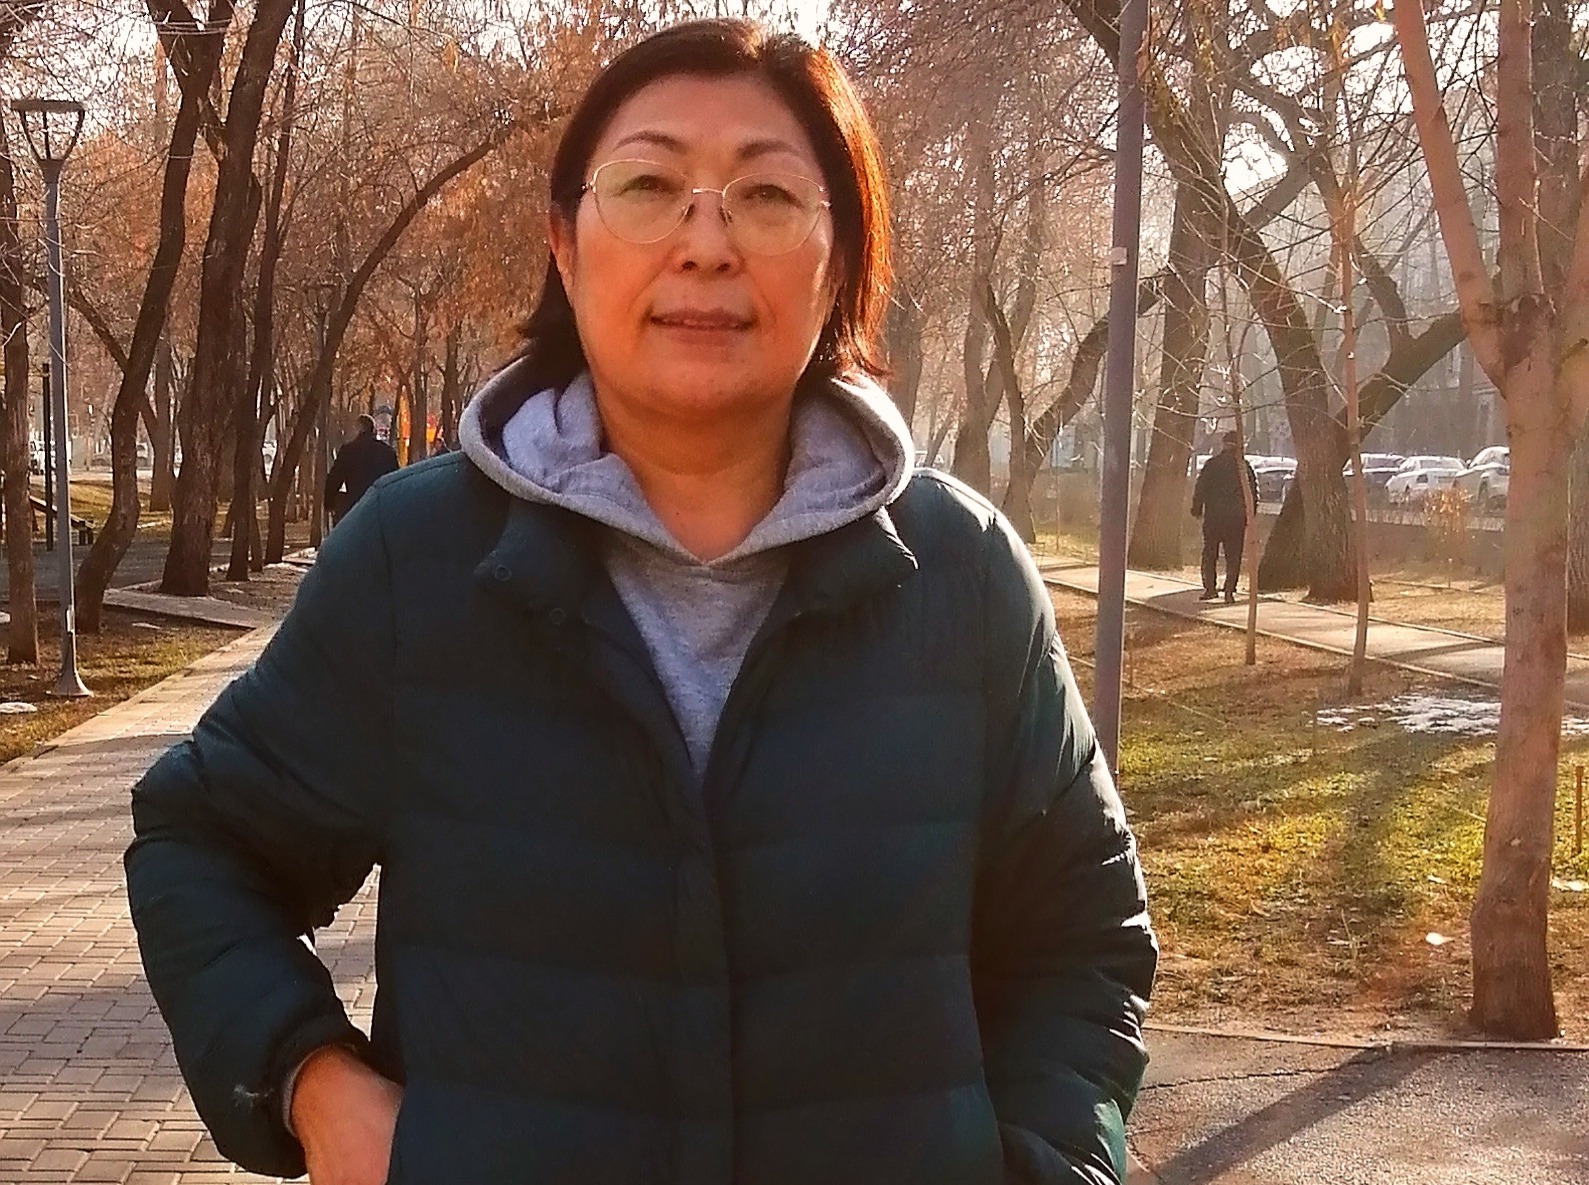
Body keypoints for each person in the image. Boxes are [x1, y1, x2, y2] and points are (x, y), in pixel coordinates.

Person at [125, 20, 1156, 1185]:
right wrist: (315, 1088)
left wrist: (1046, 1165)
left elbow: (1082, 939)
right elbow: (202, 844)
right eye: (649, 187)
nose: (705, 244)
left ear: (838, 258)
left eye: (766, 197)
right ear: (564, 247)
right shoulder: (421, 562)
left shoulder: (958, 575)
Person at [1191, 430, 1258, 604]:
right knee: (1233, 555)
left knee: (1210, 552)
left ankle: (1210, 588)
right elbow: (1252, 492)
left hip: (1214, 517)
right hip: (1236, 519)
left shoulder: (1212, 465)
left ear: (1223, 444)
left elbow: (1201, 488)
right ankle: (1229, 591)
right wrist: (1251, 515)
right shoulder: (1244, 467)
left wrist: (1196, 509)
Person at [324, 414, 399, 526]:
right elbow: (395, 480)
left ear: (357, 429)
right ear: (373, 430)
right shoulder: (387, 452)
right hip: (380, 508)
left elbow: (335, 478)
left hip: (356, 507)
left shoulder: (348, 451)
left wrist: (329, 502)